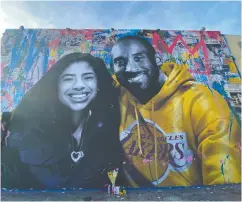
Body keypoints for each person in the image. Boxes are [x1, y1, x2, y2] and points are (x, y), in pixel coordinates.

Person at [110, 35, 241, 187]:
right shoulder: (117, 93)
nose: (130, 68)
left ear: (157, 59)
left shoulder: (201, 101)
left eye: (138, 58)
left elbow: (225, 180)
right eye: (120, 62)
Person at [1, 53, 123, 189]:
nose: (79, 86)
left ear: (98, 84)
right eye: (68, 79)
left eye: (88, 77)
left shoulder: (105, 125)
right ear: (56, 86)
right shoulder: (27, 131)